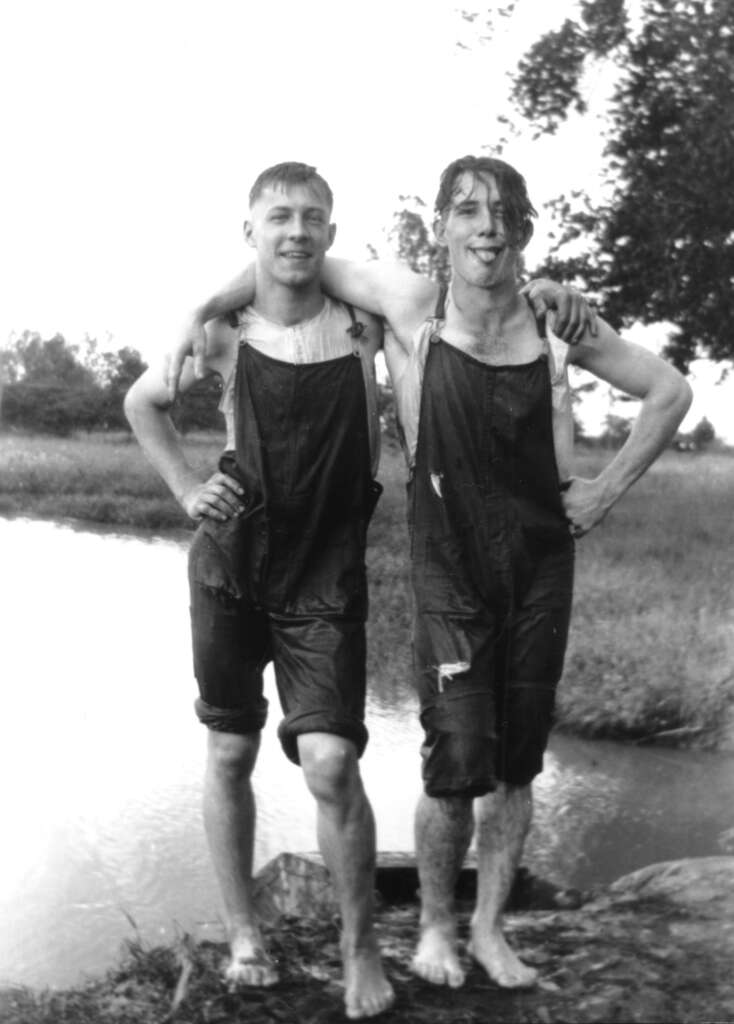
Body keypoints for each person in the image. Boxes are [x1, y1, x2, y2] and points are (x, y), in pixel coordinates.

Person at [163, 157, 618, 999]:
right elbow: (159, 384)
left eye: (504, 215)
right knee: (233, 747)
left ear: (522, 228)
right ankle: (254, 933)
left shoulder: (468, 325)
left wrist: (604, 486)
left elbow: (661, 389)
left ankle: (397, 940)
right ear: (441, 225)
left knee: (378, 764)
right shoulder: (402, 305)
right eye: (469, 212)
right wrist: (201, 320)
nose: (487, 226)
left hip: (355, 577)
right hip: (250, 568)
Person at [125, 162, 395, 1020]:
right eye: (278, 217)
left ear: (331, 233)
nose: (297, 231)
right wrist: (184, 491)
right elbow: (143, 404)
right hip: (231, 569)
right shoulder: (222, 335)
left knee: (331, 760)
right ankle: (243, 931)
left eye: (314, 218)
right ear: (250, 233)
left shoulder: (363, 325)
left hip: (325, 575)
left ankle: (361, 949)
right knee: (231, 751)